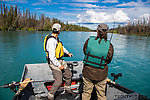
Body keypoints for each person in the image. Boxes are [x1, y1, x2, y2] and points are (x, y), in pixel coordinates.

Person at [44, 23, 76, 100]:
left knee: (68, 75)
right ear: (59, 31)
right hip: (54, 62)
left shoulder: (56, 39)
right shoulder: (51, 41)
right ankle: (50, 95)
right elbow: (52, 57)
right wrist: (59, 65)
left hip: (60, 60)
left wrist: (67, 53)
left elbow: (61, 47)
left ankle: (67, 89)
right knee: (59, 81)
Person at [82, 23, 114, 100]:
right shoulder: (110, 46)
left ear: (97, 31)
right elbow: (109, 60)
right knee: (101, 95)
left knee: (86, 93)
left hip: (87, 72)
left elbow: (85, 52)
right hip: (101, 75)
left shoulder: (89, 40)